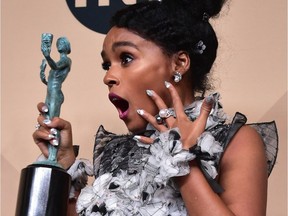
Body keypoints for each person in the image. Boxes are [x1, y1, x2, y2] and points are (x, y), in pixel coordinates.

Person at [33, 0, 278, 215]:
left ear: (179, 63)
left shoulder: (235, 142)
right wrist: (64, 164)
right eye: (106, 65)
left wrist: (182, 160)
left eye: (126, 58)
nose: (108, 77)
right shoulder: (115, 152)